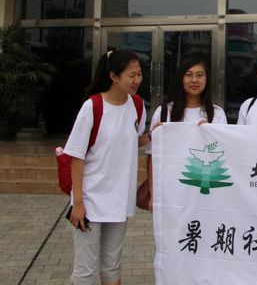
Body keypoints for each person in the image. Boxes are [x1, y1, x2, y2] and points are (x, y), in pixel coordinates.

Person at [63, 49, 145, 285]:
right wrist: (78, 203)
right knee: (85, 271)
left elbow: (135, 139)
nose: (137, 80)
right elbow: (76, 156)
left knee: (111, 266)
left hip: (119, 200)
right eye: (131, 75)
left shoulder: (137, 105)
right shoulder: (93, 106)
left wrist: (159, 134)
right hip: (90, 201)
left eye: (139, 74)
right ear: (113, 76)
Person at [145, 55, 227, 209]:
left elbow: (224, 155)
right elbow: (152, 157)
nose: (194, 80)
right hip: (171, 191)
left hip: (205, 191)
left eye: (200, 75)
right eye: (189, 75)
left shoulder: (217, 114)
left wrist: (209, 135)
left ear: (207, 79)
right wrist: (153, 193)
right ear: (180, 79)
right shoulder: (164, 112)